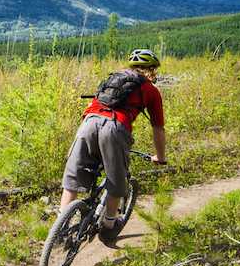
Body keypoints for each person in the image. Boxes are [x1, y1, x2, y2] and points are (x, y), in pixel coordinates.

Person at [60, 48, 167, 246]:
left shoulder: (113, 78)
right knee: (116, 182)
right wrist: (159, 156)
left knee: (73, 176)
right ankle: (108, 228)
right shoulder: (150, 90)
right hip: (115, 128)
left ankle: (61, 227)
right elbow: (158, 128)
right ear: (151, 70)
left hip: (88, 123)